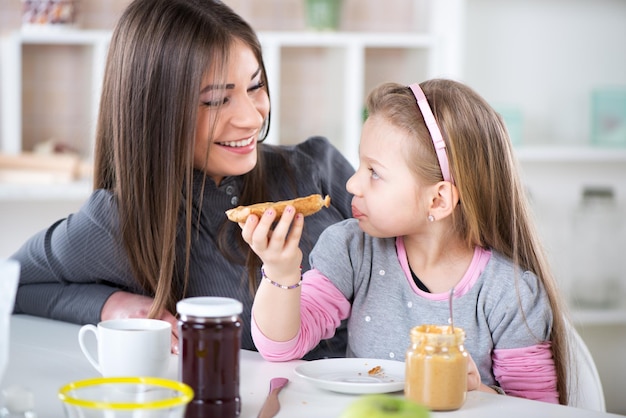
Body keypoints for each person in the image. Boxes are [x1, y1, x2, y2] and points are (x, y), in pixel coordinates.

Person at [10, 0, 354, 360]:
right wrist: (110, 304)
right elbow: (15, 281)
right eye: (217, 101)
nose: (252, 119)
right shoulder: (119, 221)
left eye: (254, 87)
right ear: (155, 111)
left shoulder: (315, 167)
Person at [243, 79, 570, 404]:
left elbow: (539, 409)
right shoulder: (353, 250)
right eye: (360, 164)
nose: (352, 183)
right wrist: (281, 271)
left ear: (438, 201)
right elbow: (281, 346)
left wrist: (478, 392)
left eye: (374, 172)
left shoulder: (508, 294)